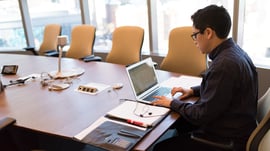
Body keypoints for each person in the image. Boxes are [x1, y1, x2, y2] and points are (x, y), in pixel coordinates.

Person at [152, 5, 258, 151]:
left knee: (160, 147)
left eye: (195, 35)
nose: (194, 40)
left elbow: (200, 115)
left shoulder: (224, 65)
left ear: (208, 32)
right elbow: (221, 91)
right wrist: (193, 91)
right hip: (236, 126)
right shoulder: (234, 52)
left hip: (226, 140)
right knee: (179, 122)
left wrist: (172, 103)